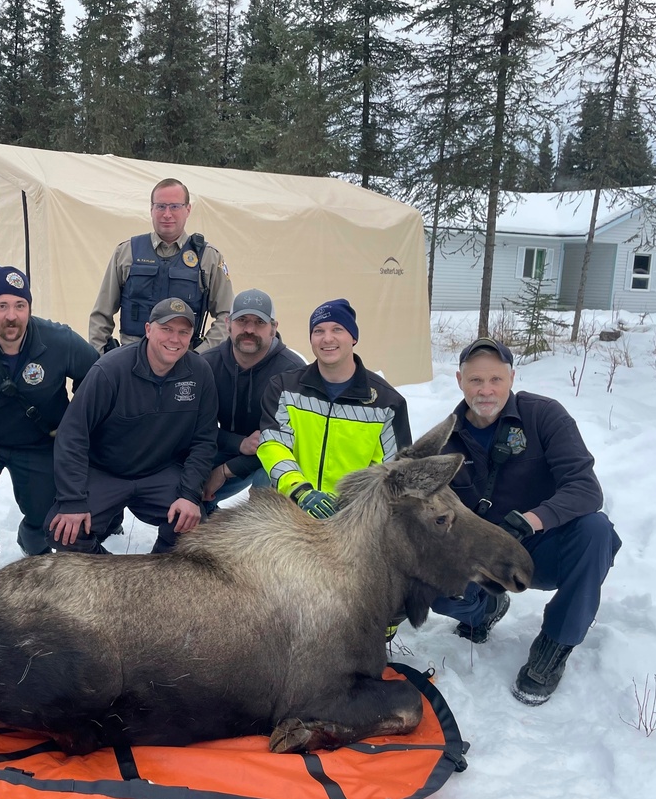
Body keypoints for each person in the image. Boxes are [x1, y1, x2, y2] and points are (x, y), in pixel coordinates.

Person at [431, 337, 620, 706]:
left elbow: (585, 488)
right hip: (482, 555)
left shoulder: (544, 416)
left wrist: (533, 520)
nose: (485, 390)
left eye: (496, 380)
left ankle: (554, 646)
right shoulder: (446, 440)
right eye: (475, 381)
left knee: (596, 531)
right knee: (439, 591)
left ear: (512, 377)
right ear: (458, 380)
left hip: (542, 546)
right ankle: (485, 608)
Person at [47, 298, 218, 555]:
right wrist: (72, 501)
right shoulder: (109, 370)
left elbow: (204, 440)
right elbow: (73, 435)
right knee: (65, 532)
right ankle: (112, 579)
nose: (175, 339)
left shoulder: (200, 373)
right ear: (148, 330)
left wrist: (190, 495)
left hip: (160, 473)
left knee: (193, 529)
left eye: (184, 332)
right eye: (167, 329)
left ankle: (155, 578)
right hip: (105, 471)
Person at [0, 267, 99, 556]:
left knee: (45, 522)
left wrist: (73, 425)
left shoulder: (59, 340)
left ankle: (32, 549)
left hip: (39, 443)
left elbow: (97, 378)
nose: (12, 315)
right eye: (2, 306)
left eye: (20, 305)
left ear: (29, 308)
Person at [258, 299, 411, 517]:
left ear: (354, 337)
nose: (327, 338)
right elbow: (273, 445)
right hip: (291, 510)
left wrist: (351, 506)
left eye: (337, 329)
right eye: (318, 330)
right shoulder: (284, 388)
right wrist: (300, 491)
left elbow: (394, 470)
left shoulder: (386, 403)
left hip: (355, 519)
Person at [88, 178, 235, 354]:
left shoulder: (208, 257)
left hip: (183, 362)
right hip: (131, 360)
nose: (167, 214)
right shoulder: (127, 252)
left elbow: (227, 315)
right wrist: (101, 357)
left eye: (174, 206)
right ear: (151, 209)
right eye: (160, 206)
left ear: (188, 210)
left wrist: (200, 354)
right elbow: (101, 314)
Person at [199, 288, 305, 511]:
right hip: (226, 446)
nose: (249, 329)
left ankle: (264, 534)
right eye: (242, 320)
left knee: (267, 480)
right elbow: (194, 428)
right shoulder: (206, 365)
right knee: (187, 479)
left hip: (270, 457)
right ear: (228, 324)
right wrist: (238, 444)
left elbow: (291, 443)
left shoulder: (293, 372)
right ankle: (206, 523)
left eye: (259, 322)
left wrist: (225, 470)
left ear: (273, 328)